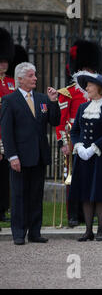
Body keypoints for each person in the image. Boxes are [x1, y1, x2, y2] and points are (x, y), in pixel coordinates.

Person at [0, 62, 61, 245]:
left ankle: (35, 232)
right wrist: (12, 156)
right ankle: (19, 233)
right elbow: (7, 131)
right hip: (19, 157)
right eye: (31, 76)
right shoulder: (10, 101)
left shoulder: (42, 99)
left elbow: (55, 120)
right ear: (20, 79)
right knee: (19, 196)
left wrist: (53, 101)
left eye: (35, 75)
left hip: (39, 156)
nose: (35, 78)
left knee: (36, 195)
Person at [54, 39, 102, 228]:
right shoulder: (67, 93)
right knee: (73, 179)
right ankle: (73, 215)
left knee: (91, 178)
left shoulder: (99, 93)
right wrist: (63, 143)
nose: (89, 73)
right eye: (85, 68)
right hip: (74, 140)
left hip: (93, 142)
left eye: (91, 69)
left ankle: (87, 214)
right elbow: (61, 121)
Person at [68, 71, 102, 242]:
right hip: (83, 157)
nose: (87, 88)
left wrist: (94, 148)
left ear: (99, 88)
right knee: (85, 192)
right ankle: (88, 230)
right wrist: (78, 146)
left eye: (90, 85)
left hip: (101, 157)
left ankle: (101, 230)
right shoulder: (83, 107)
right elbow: (75, 130)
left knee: (100, 193)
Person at [0, 28, 16, 224]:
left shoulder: (12, 83)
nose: (3, 65)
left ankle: (3, 207)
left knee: (6, 175)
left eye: (5, 61)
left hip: (9, 134)